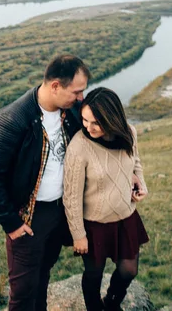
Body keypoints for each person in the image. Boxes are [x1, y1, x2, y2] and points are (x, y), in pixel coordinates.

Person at [0, 54, 91, 310]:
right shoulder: (12, 120)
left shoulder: (72, 111)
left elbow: (99, 137)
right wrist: (12, 224)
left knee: (42, 277)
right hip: (28, 218)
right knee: (22, 293)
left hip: (58, 212)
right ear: (55, 86)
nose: (81, 97)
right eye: (77, 91)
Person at [63, 87, 149, 311]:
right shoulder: (79, 147)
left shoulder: (129, 132)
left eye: (95, 123)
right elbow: (71, 196)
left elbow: (135, 161)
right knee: (94, 274)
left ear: (111, 119)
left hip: (125, 216)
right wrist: (78, 235)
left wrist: (141, 182)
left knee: (129, 270)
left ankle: (112, 302)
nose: (88, 127)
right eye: (84, 120)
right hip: (95, 224)